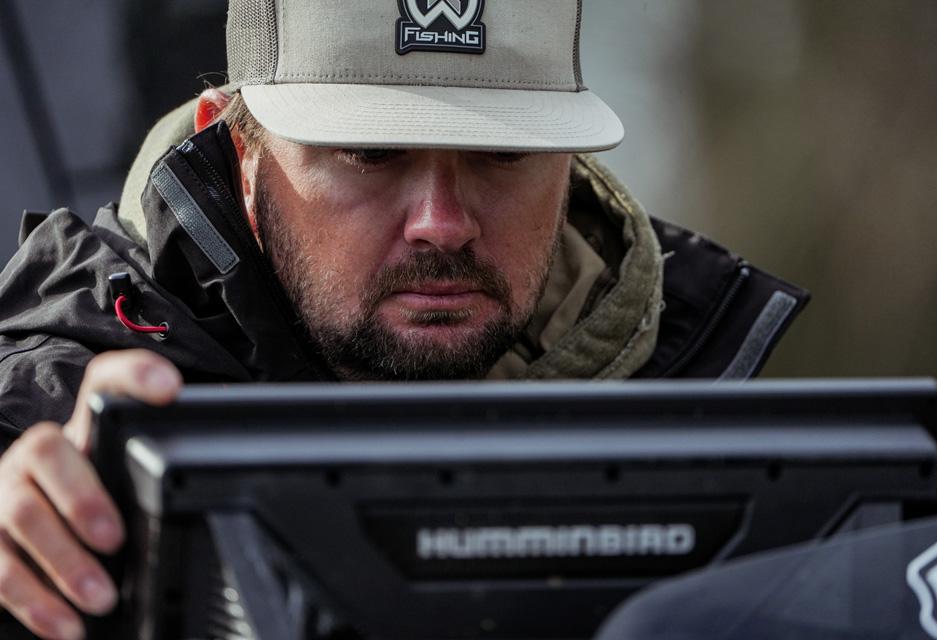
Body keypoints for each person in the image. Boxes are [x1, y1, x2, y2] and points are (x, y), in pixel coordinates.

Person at [0, 1, 808, 638]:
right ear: (237, 150)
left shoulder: (706, 416)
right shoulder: (48, 413)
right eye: (370, 152)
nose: (442, 224)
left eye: (503, 153)